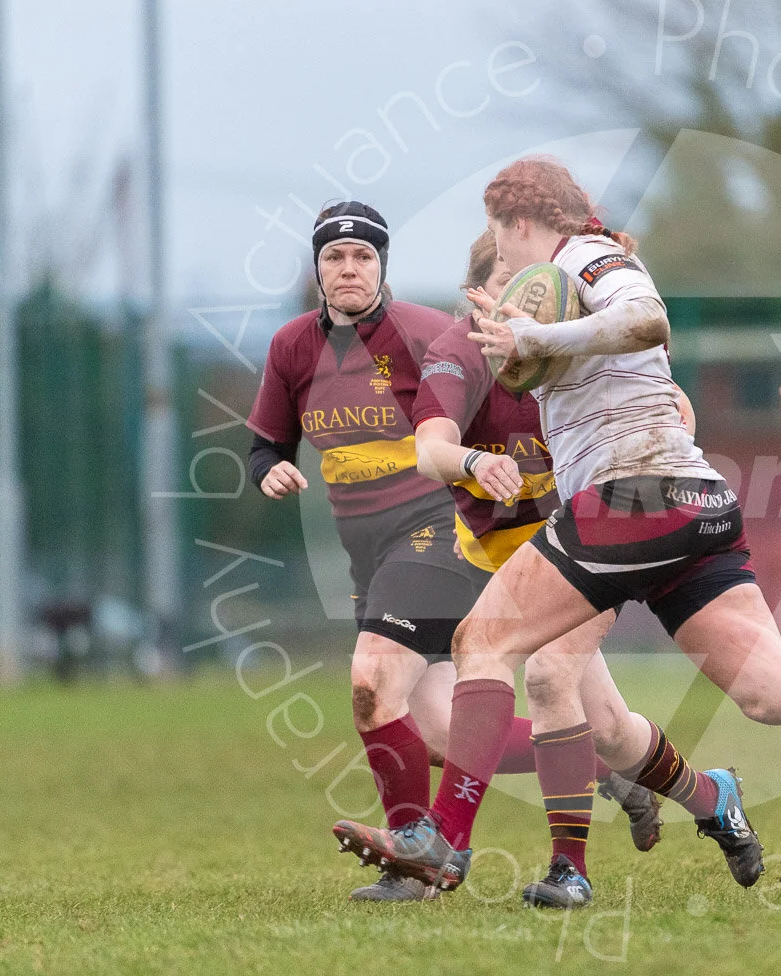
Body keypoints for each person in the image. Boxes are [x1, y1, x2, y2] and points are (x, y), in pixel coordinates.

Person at [332, 158, 781, 899]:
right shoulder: (550, 296)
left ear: (521, 223)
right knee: (770, 690)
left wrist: (542, 340)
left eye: (501, 234)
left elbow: (647, 317)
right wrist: (534, 344)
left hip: (636, 496)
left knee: (483, 642)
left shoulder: (587, 255)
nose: (504, 254)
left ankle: (446, 844)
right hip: (694, 501)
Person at [248, 202, 655, 903]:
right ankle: (594, 760)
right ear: (317, 268)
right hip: (366, 555)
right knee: (434, 730)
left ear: (382, 265)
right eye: (335, 257)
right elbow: (266, 444)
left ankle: (415, 865)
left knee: (372, 683)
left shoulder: (424, 334)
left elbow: (515, 390)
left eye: (363, 256)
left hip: (434, 534)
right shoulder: (292, 347)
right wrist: (269, 470)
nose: (349, 268)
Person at [403, 230, 730, 907]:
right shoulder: (459, 354)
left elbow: (665, 412)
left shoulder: (576, 346)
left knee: (552, 678)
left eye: (534, 283)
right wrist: (471, 462)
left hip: (587, 541)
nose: (524, 301)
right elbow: (428, 449)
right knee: (607, 729)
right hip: (500, 560)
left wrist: (668, 425)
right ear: (480, 298)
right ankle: (710, 795)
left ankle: (563, 870)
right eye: (508, 285)